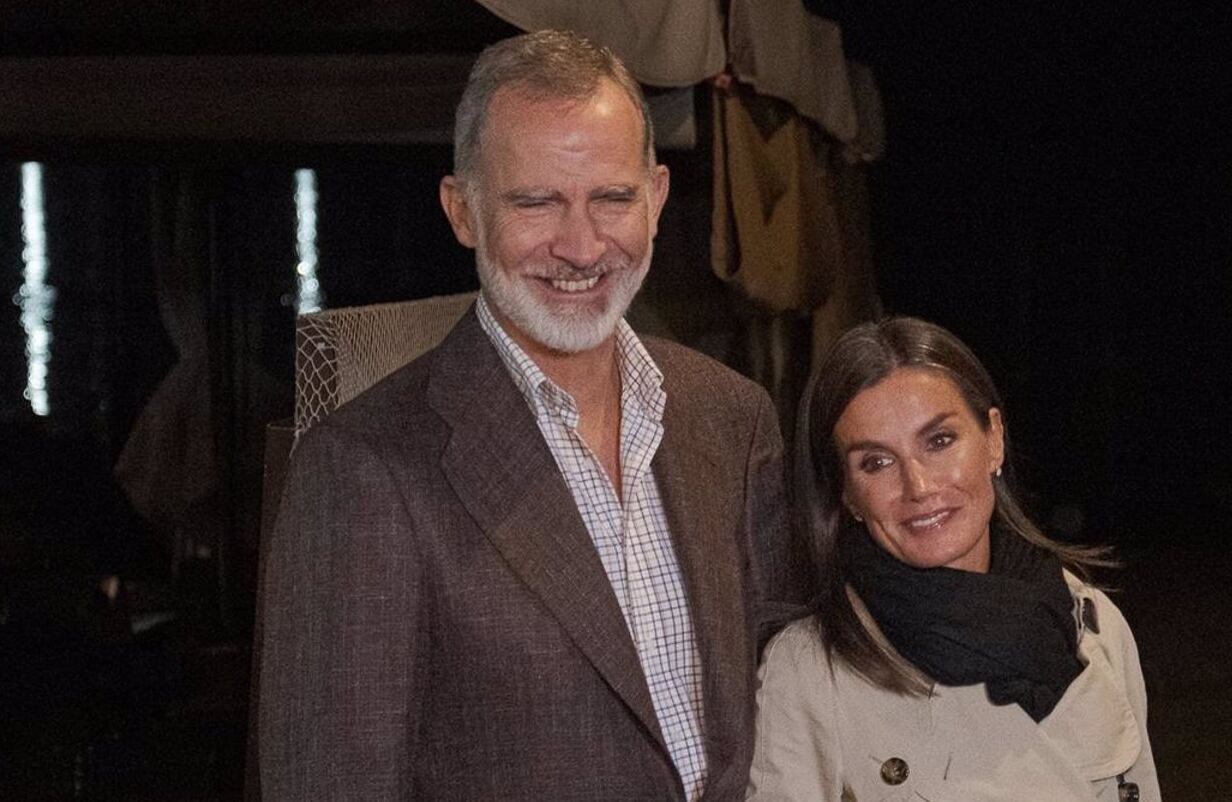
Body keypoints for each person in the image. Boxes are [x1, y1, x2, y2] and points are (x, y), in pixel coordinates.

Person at [258, 30, 793, 801]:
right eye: (536, 202)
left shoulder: (731, 416)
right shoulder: (362, 469)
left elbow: (782, 707)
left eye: (611, 198)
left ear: (657, 198)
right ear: (463, 211)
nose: (581, 247)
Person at [746, 317, 1160, 801]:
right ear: (848, 496)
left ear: (994, 439)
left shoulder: (1093, 624)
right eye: (876, 463)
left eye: (939, 441)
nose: (918, 487)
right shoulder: (809, 672)